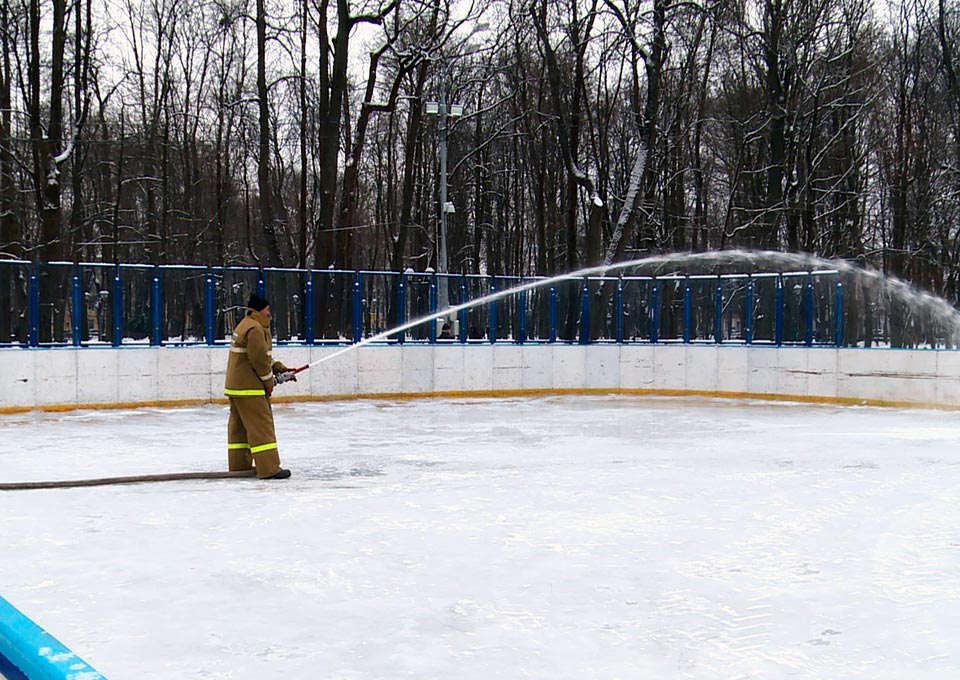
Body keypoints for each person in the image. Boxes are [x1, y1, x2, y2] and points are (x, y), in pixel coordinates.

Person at [223, 293, 296, 479]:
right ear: (260, 310)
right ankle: (269, 469)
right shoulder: (256, 329)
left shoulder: (245, 324)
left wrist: (279, 369)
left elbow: (260, 358)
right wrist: (269, 381)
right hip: (250, 388)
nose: (269, 312)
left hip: (236, 386)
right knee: (261, 427)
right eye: (267, 309)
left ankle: (239, 467)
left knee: (238, 431)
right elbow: (259, 361)